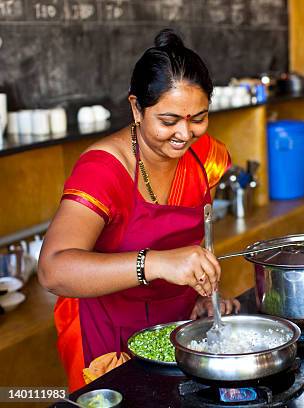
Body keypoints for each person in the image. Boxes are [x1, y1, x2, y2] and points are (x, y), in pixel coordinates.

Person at [38, 29, 239, 391]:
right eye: (168, 120)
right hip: (109, 334)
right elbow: (54, 270)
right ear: (136, 107)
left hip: (176, 328)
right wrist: (159, 262)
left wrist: (201, 295)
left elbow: (197, 233)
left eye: (199, 117)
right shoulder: (104, 169)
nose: (185, 133)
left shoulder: (204, 156)